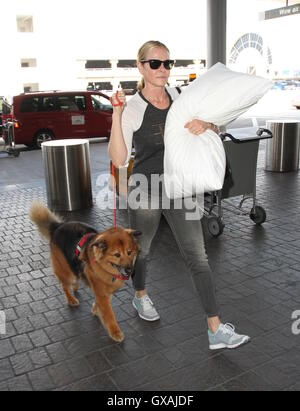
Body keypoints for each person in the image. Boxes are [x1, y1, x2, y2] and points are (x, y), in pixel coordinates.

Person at [108, 40, 250, 350]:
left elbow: (213, 121)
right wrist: (116, 115)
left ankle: (215, 329)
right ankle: (141, 295)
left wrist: (206, 124)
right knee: (140, 252)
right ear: (141, 67)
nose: (163, 69)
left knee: (198, 257)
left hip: (180, 188)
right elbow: (119, 159)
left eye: (167, 63)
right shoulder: (132, 107)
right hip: (145, 190)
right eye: (155, 63)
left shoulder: (179, 96)